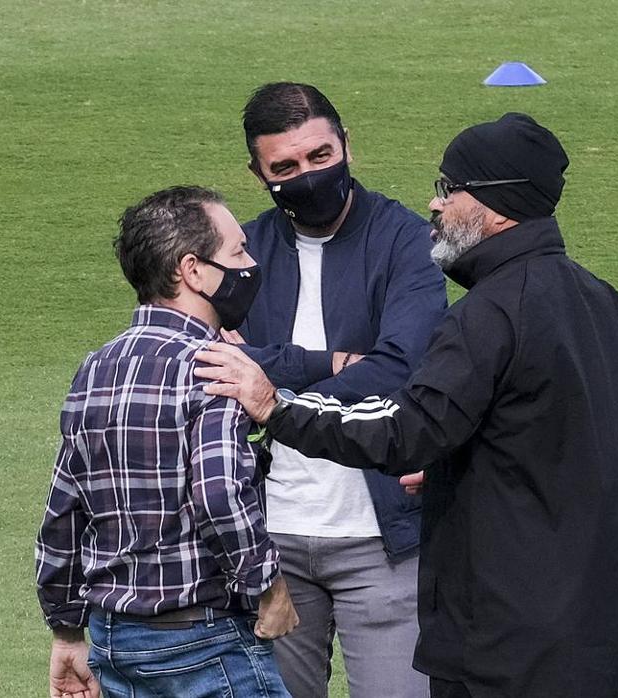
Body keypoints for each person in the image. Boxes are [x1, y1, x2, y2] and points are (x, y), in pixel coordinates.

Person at [195, 113, 618, 698]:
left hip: (505, 629)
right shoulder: (605, 303)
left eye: (448, 189)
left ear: (496, 206)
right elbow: (562, 439)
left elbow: (402, 430)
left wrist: (276, 407)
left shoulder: (489, 314)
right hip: (594, 620)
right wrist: (450, 465)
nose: (435, 207)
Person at [227, 82, 446, 698]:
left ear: (347, 145)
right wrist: (331, 361)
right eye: (285, 168)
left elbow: (402, 365)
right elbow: (216, 368)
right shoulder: (240, 253)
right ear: (259, 173)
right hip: (269, 543)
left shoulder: (408, 240)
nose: (308, 175)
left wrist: (273, 391)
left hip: (384, 538)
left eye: (320, 156)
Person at [34, 186, 298, 698]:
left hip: (115, 641)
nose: (250, 265)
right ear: (192, 271)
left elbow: (63, 509)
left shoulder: (96, 367)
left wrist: (66, 630)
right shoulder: (216, 364)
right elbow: (220, 495)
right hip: (205, 642)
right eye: (238, 252)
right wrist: (269, 587)